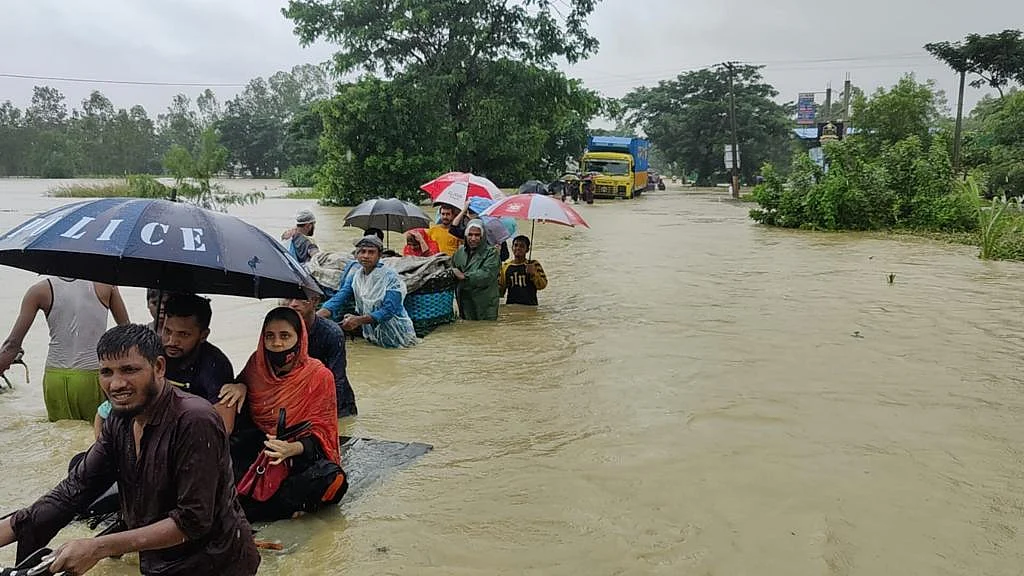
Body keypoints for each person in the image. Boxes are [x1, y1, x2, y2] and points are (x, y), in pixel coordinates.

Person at [0, 324, 260, 576]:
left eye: (129, 370)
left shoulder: (195, 421)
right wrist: (14, 525)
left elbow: (192, 520)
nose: (115, 384)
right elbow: (74, 490)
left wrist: (98, 547)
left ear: (158, 367)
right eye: (106, 372)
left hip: (217, 563)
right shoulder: (118, 420)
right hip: (159, 561)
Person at [232, 307, 347, 521]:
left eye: (285, 336)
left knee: (330, 477)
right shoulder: (256, 366)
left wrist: (290, 449)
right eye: (270, 336)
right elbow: (241, 416)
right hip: (261, 451)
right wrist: (239, 385)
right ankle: (276, 508)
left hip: (300, 456)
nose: (277, 344)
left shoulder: (319, 376)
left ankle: (264, 508)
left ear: (300, 338)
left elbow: (324, 434)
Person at [93, 293, 239, 438]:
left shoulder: (216, 365)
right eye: (168, 331)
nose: (172, 341)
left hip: (191, 438)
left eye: (183, 334)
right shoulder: (150, 352)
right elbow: (104, 412)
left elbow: (223, 428)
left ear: (203, 335)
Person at [0, 277, 129, 422]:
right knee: (96, 435)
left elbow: (12, 345)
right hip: (91, 375)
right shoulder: (106, 284)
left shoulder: (39, 290)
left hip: (54, 378)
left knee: (60, 434)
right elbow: (127, 334)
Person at [317, 236, 418, 348]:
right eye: (362, 251)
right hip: (372, 335)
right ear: (356, 255)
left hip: (399, 335)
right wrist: (317, 316)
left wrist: (358, 320)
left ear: (379, 255)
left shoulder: (391, 278)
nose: (365, 256)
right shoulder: (356, 276)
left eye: (371, 252)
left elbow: (389, 310)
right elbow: (340, 297)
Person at [285, 294, 358, 417]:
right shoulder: (281, 333)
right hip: (301, 398)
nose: (293, 304)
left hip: (337, 402)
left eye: (301, 298)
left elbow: (336, 380)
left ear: (315, 301)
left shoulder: (332, 333)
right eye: (289, 298)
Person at [452, 220, 500, 321]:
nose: (473, 238)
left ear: (482, 237)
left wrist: (465, 276)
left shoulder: (491, 253)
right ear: (465, 236)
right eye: (470, 235)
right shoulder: (459, 252)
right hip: (464, 302)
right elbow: (452, 269)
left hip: (485, 303)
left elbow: (488, 274)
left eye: (477, 235)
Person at [500, 235, 549, 306]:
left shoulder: (534, 264)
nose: (518, 248)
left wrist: (533, 273)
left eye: (522, 246)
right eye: (516, 245)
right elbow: (501, 290)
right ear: (512, 247)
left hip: (530, 307)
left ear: (527, 250)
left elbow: (542, 285)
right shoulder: (506, 267)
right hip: (511, 307)